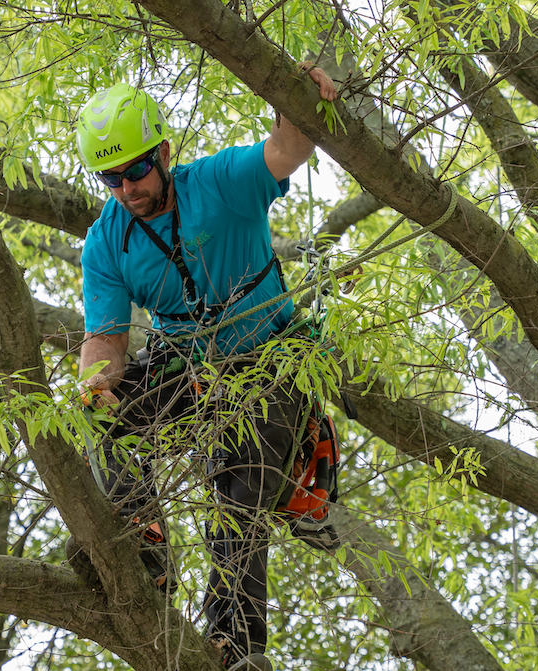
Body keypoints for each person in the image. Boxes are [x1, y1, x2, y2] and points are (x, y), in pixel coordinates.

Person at [71, 66, 338, 671]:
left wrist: (295, 96)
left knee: (235, 494)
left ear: (164, 153)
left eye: (136, 170)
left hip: (269, 362)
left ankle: (238, 648)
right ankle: (142, 549)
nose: (126, 189)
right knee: (96, 416)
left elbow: (289, 147)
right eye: (110, 179)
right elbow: (106, 338)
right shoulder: (106, 241)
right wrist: (96, 384)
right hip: (185, 370)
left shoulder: (220, 183)